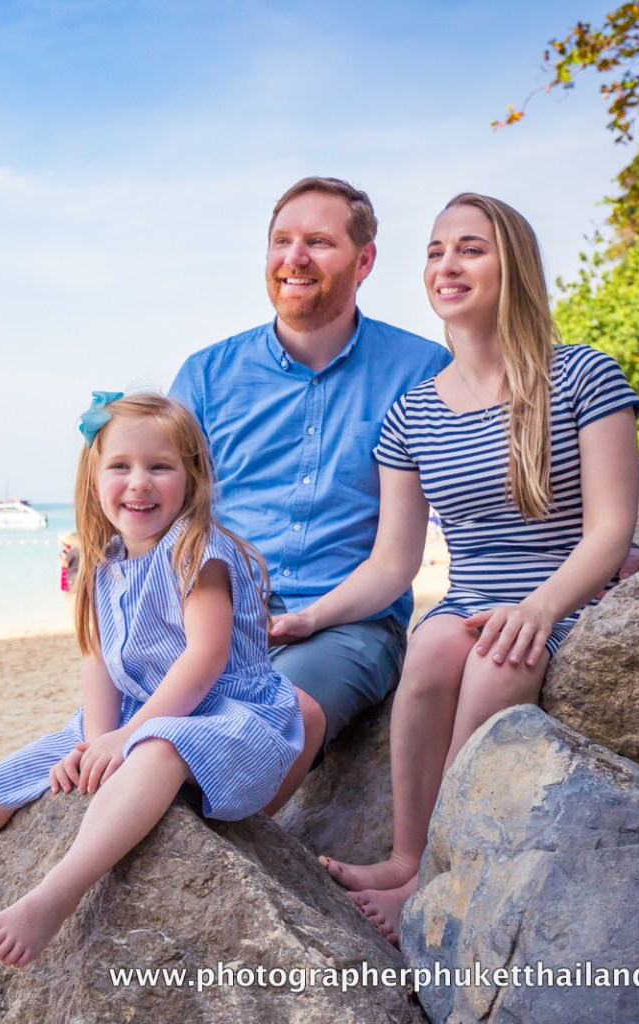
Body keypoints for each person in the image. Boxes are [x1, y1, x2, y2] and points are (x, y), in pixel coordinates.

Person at [274, 193, 639, 944]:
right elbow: (392, 564)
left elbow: (612, 529)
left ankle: (441, 872)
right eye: (437, 251)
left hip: (562, 593)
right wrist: (312, 617)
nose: (447, 265)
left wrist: (540, 608)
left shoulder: (582, 378)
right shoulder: (411, 415)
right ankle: (409, 854)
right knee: (436, 648)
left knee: (497, 665)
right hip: (470, 595)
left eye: (470, 249)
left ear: (515, 265)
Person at [0, 393, 303, 968]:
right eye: (120, 466)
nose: (139, 483)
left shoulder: (199, 551)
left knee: (155, 748)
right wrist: (95, 740)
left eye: (160, 466)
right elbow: (100, 658)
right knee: (30, 765)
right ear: (94, 478)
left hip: (232, 717)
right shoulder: (102, 560)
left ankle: (55, 894)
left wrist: (126, 739)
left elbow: (204, 658)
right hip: (142, 710)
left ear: (193, 476)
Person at [170, 177, 453, 813]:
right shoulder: (206, 376)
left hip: (351, 626)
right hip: (218, 618)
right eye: (281, 241)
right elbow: (166, 521)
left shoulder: (423, 371)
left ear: (365, 260)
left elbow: (490, 478)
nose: (294, 259)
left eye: (318, 242)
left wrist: (606, 543)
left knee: (268, 727)